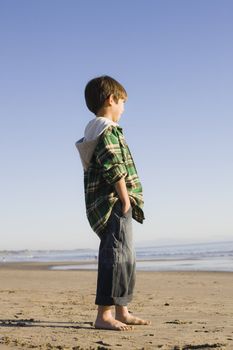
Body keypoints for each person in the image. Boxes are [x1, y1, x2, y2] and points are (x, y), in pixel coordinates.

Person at [76, 75, 150, 331]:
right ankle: (104, 315)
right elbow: (113, 164)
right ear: (111, 99)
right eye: (122, 103)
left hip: (112, 203)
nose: (124, 109)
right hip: (113, 202)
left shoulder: (95, 129)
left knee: (125, 257)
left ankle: (122, 309)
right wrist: (125, 198)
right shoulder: (106, 129)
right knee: (115, 257)